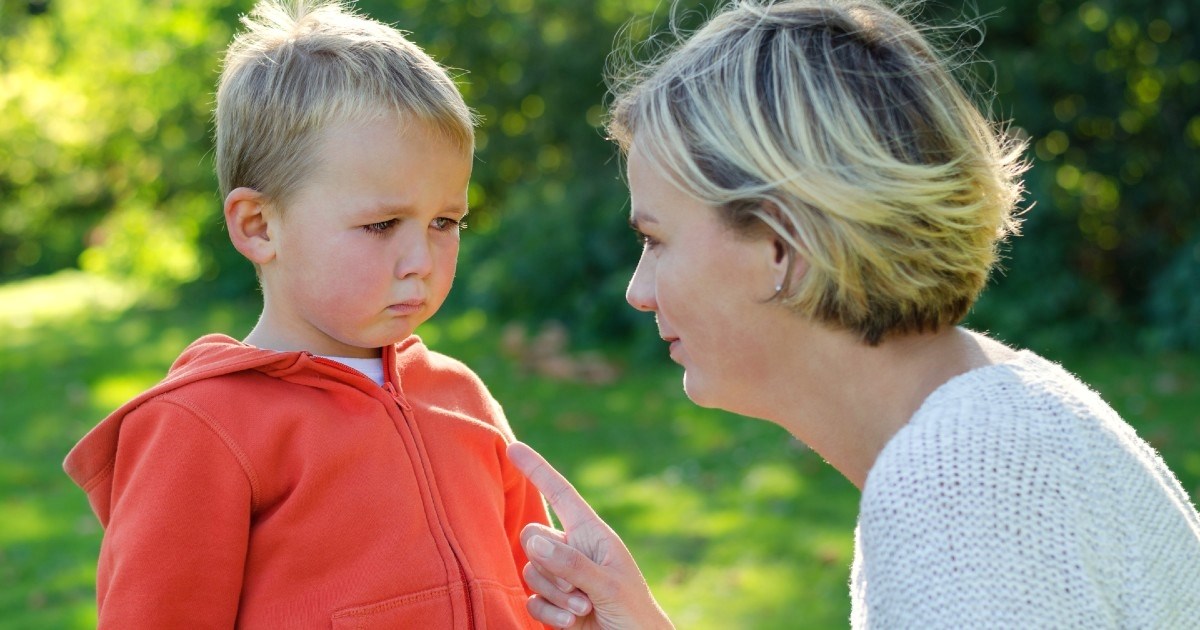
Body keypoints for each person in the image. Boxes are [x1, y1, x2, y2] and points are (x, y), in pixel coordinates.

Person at [506, 0, 1200, 628]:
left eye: (656, 240)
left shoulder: (958, 495)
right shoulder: (1004, 413)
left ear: (781, 246)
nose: (639, 289)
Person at [62, 1, 549, 626]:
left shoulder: (463, 399)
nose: (421, 259)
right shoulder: (201, 427)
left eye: (444, 222)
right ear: (259, 226)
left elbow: (543, 599)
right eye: (380, 224)